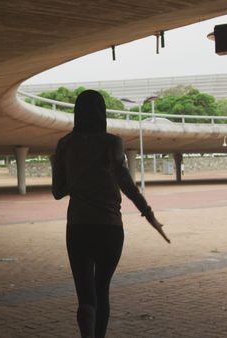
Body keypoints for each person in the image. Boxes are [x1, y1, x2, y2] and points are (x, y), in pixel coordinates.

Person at [50, 90, 170, 338]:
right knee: (101, 289)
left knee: (85, 297)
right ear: (102, 113)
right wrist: (148, 214)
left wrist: (73, 176)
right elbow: (125, 182)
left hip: (78, 227)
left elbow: (57, 191)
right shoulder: (111, 143)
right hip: (110, 228)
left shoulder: (65, 145)